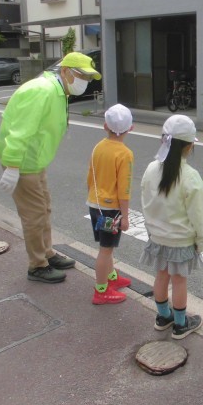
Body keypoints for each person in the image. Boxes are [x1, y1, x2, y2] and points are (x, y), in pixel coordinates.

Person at [0, 52, 101, 283]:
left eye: (88, 78)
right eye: (82, 76)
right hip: (23, 162)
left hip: (35, 161)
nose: (85, 81)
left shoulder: (58, 91)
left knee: (44, 209)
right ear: (65, 71)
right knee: (34, 215)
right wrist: (12, 166)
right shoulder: (41, 91)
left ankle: (47, 252)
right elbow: (20, 131)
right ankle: (37, 265)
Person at [139, 115, 203, 339]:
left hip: (157, 237)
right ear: (190, 146)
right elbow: (197, 215)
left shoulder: (151, 169)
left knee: (161, 276)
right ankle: (180, 324)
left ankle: (163, 316)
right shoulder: (190, 176)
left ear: (164, 141)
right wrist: (201, 241)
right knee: (179, 281)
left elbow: (145, 201)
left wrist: (151, 229)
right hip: (181, 240)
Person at [86, 104, 134, 305]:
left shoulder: (98, 147)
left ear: (105, 126)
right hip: (111, 209)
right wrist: (125, 216)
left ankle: (111, 277)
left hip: (95, 203)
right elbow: (124, 189)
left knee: (107, 246)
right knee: (106, 249)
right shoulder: (125, 154)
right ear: (131, 128)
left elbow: (90, 176)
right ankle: (101, 290)